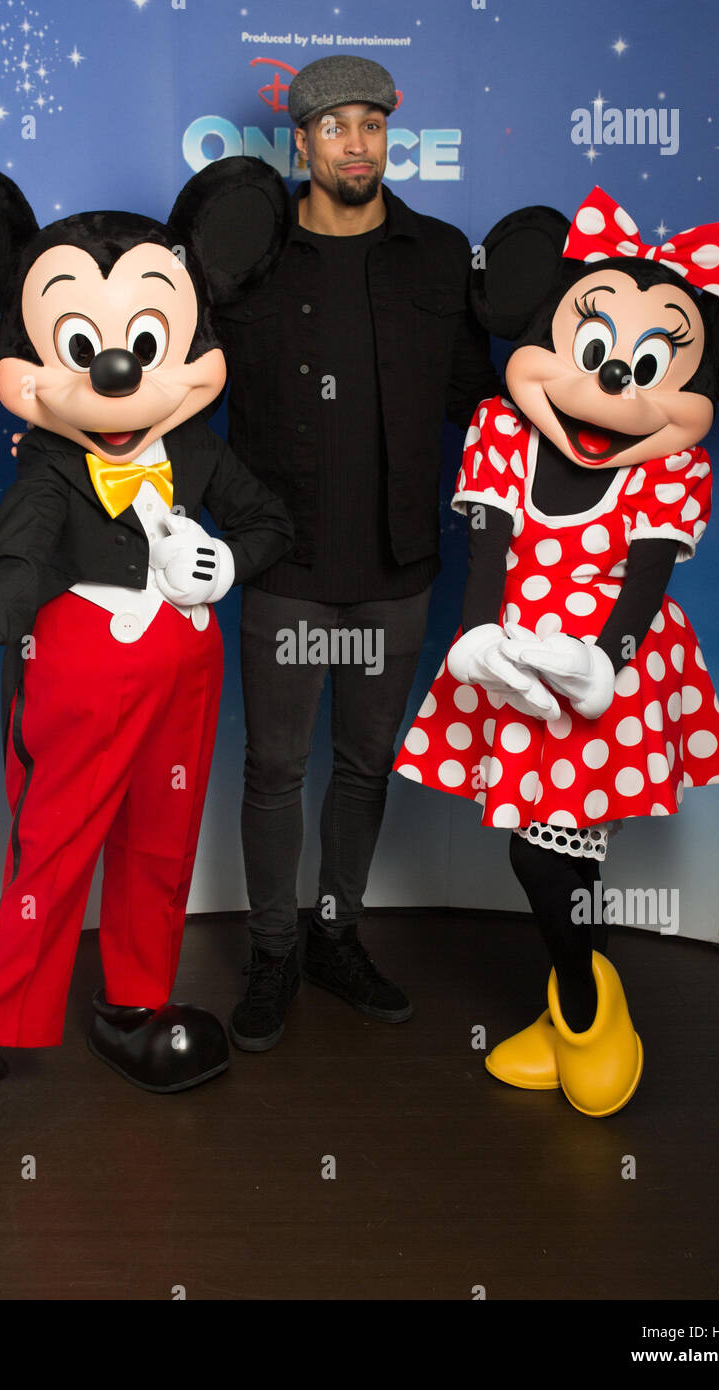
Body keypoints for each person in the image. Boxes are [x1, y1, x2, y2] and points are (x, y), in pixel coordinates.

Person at [215, 55, 499, 1051]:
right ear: (299, 142)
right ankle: (272, 948)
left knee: (366, 766)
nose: (357, 144)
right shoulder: (247, 254)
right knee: (276, 769)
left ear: (390, 138)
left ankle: (337, 935)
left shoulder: (436, 254)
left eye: (372, 125)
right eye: (336, 127)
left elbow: (482, 399)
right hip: (287, 572)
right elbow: (172, 370)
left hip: (397, 574)